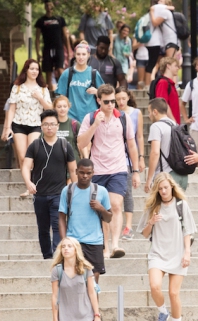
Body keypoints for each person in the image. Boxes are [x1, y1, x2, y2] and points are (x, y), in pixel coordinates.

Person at [77, 84, 141, 259]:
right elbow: (81, 143)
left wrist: (135, 171)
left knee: (115, 204)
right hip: (97, 170)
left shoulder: (123, 118)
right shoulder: (90, 118)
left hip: (119, 169)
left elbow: (132, 144)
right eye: (107, 102)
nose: (111, 105)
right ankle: (105, 247)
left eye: (113, 101)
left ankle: (115, 244)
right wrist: (95, 125)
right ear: (98, 100)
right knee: (103, 208)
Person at [22, 109, 78, 260]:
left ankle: (56, 256)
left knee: (57, 226)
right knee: (43, 229)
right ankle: (47, 257)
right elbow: (26, 166)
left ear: (58, 126)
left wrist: (76, 188)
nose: (49, 127)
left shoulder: (65, 145)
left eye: (52, 124)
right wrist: (28, 183)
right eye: (46, 124)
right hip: (39, 195)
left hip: (59, 194)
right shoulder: (35, 145)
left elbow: (73, 170)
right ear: (41, 126)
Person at [140, 172, 197, 321]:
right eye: (160, 189)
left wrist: (187, 253)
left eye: (165, 187)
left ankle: (176, 319)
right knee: (154, 286)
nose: (163, 191)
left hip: (178, 254)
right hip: (157, 253)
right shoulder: (153, 206)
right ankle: (163, 312)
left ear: (171, 186)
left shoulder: (181, 204)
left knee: (173, 293)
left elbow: (188, 231)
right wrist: (151, 222)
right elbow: (145, 234)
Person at [59, 158, 114, 282]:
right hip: (74, 241)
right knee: (74, 280)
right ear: (76, 172)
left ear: (93, 173)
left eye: (88, 173)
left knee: (94, 281)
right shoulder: (67, 191)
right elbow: (61, 218)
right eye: (82, 172)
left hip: (95, 242)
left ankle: (93, 302)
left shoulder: (102, 191)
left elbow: (109, 218)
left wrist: (101, 209)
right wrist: (64, 241)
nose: (85, 176)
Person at [3, 59, 53, 177]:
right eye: (32, 69)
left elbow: (50, 108)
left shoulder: (43, 88)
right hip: (18, 124)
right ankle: (27, 185)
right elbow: (12, 108)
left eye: (37, 69)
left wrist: (40, 98)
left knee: (32, 155)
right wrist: (7, 127)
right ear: (26, 70)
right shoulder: (17, 87)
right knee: (22, 157)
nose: (34, 71)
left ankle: (33, 183)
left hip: (36, 125)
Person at [116, 87, 145, 240]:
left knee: (127, 191)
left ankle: (128, 226)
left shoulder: (136, 113)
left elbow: (139, 136)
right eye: (117, 99)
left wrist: (140, 157)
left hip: (129, 156)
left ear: (128, 97)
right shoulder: (113, 112)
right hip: (115, 156)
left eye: (123, 98)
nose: (120, 102)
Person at [50, 237, 102, 321]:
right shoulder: (57, 270)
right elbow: (55, 296)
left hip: (85, 316)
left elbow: (92, 293)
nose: (66, 248)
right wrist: (55, 318)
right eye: (63, 246)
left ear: (76, 249)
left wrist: (97, 315)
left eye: (69, 246)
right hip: (65, 317)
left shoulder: (86, 269)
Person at [145, 98, 192, 191]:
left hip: (165, 177)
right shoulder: (175, 125)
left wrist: (149, 179)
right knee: (177, 205)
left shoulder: (156, 126)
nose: (149, 115)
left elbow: (155, 152)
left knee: (163, 205)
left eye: (149, 112)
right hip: (182, 175)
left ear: (155, 111)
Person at [56, 41, 106, 123]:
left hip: (91, 117)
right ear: (75, 55)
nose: (81, 57)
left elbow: (106, 96)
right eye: (78, 54)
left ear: (88, 55)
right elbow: (61, 97)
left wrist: (97, 92)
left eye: (83, 54)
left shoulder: (94, 73)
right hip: (71, 117)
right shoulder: (67, 73)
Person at [35, 1, 72, 90]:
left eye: (50, 5)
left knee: (60, 69)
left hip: (59, 48)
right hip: (47, 49)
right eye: (47, 5)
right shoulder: (41, 21)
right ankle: (50, 93)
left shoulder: (60, 19)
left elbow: (65, 36)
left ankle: (64, 90)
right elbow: (37, 39)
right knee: (48, 72)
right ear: (44, 7)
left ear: (53, 7)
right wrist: (38, 53)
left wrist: (69, 50)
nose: (49, 7)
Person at [146, 0, 177, 81]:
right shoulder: (166, 11)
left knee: (170, 63)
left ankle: (172, 83)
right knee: (164, 63)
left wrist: (152, 12)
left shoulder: (165, 12)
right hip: (167, 41)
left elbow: (155, 23)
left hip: (171, 40)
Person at [54, 96, 81, 168]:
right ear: (55, 108)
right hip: (55, 161)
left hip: (73, 160)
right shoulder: (51, 124)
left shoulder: (75, 124)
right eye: (59, 107)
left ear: (68, 107)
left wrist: (85, 158)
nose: (62, 109)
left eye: (65, 106)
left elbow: (82, 142)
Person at [156, 57, 185, 123]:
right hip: (168, 124)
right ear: (168, 66)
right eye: (175, 66)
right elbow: (163, 104)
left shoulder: (170, 83)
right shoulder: (163, 82)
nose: (178, 68)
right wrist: (173, 121)